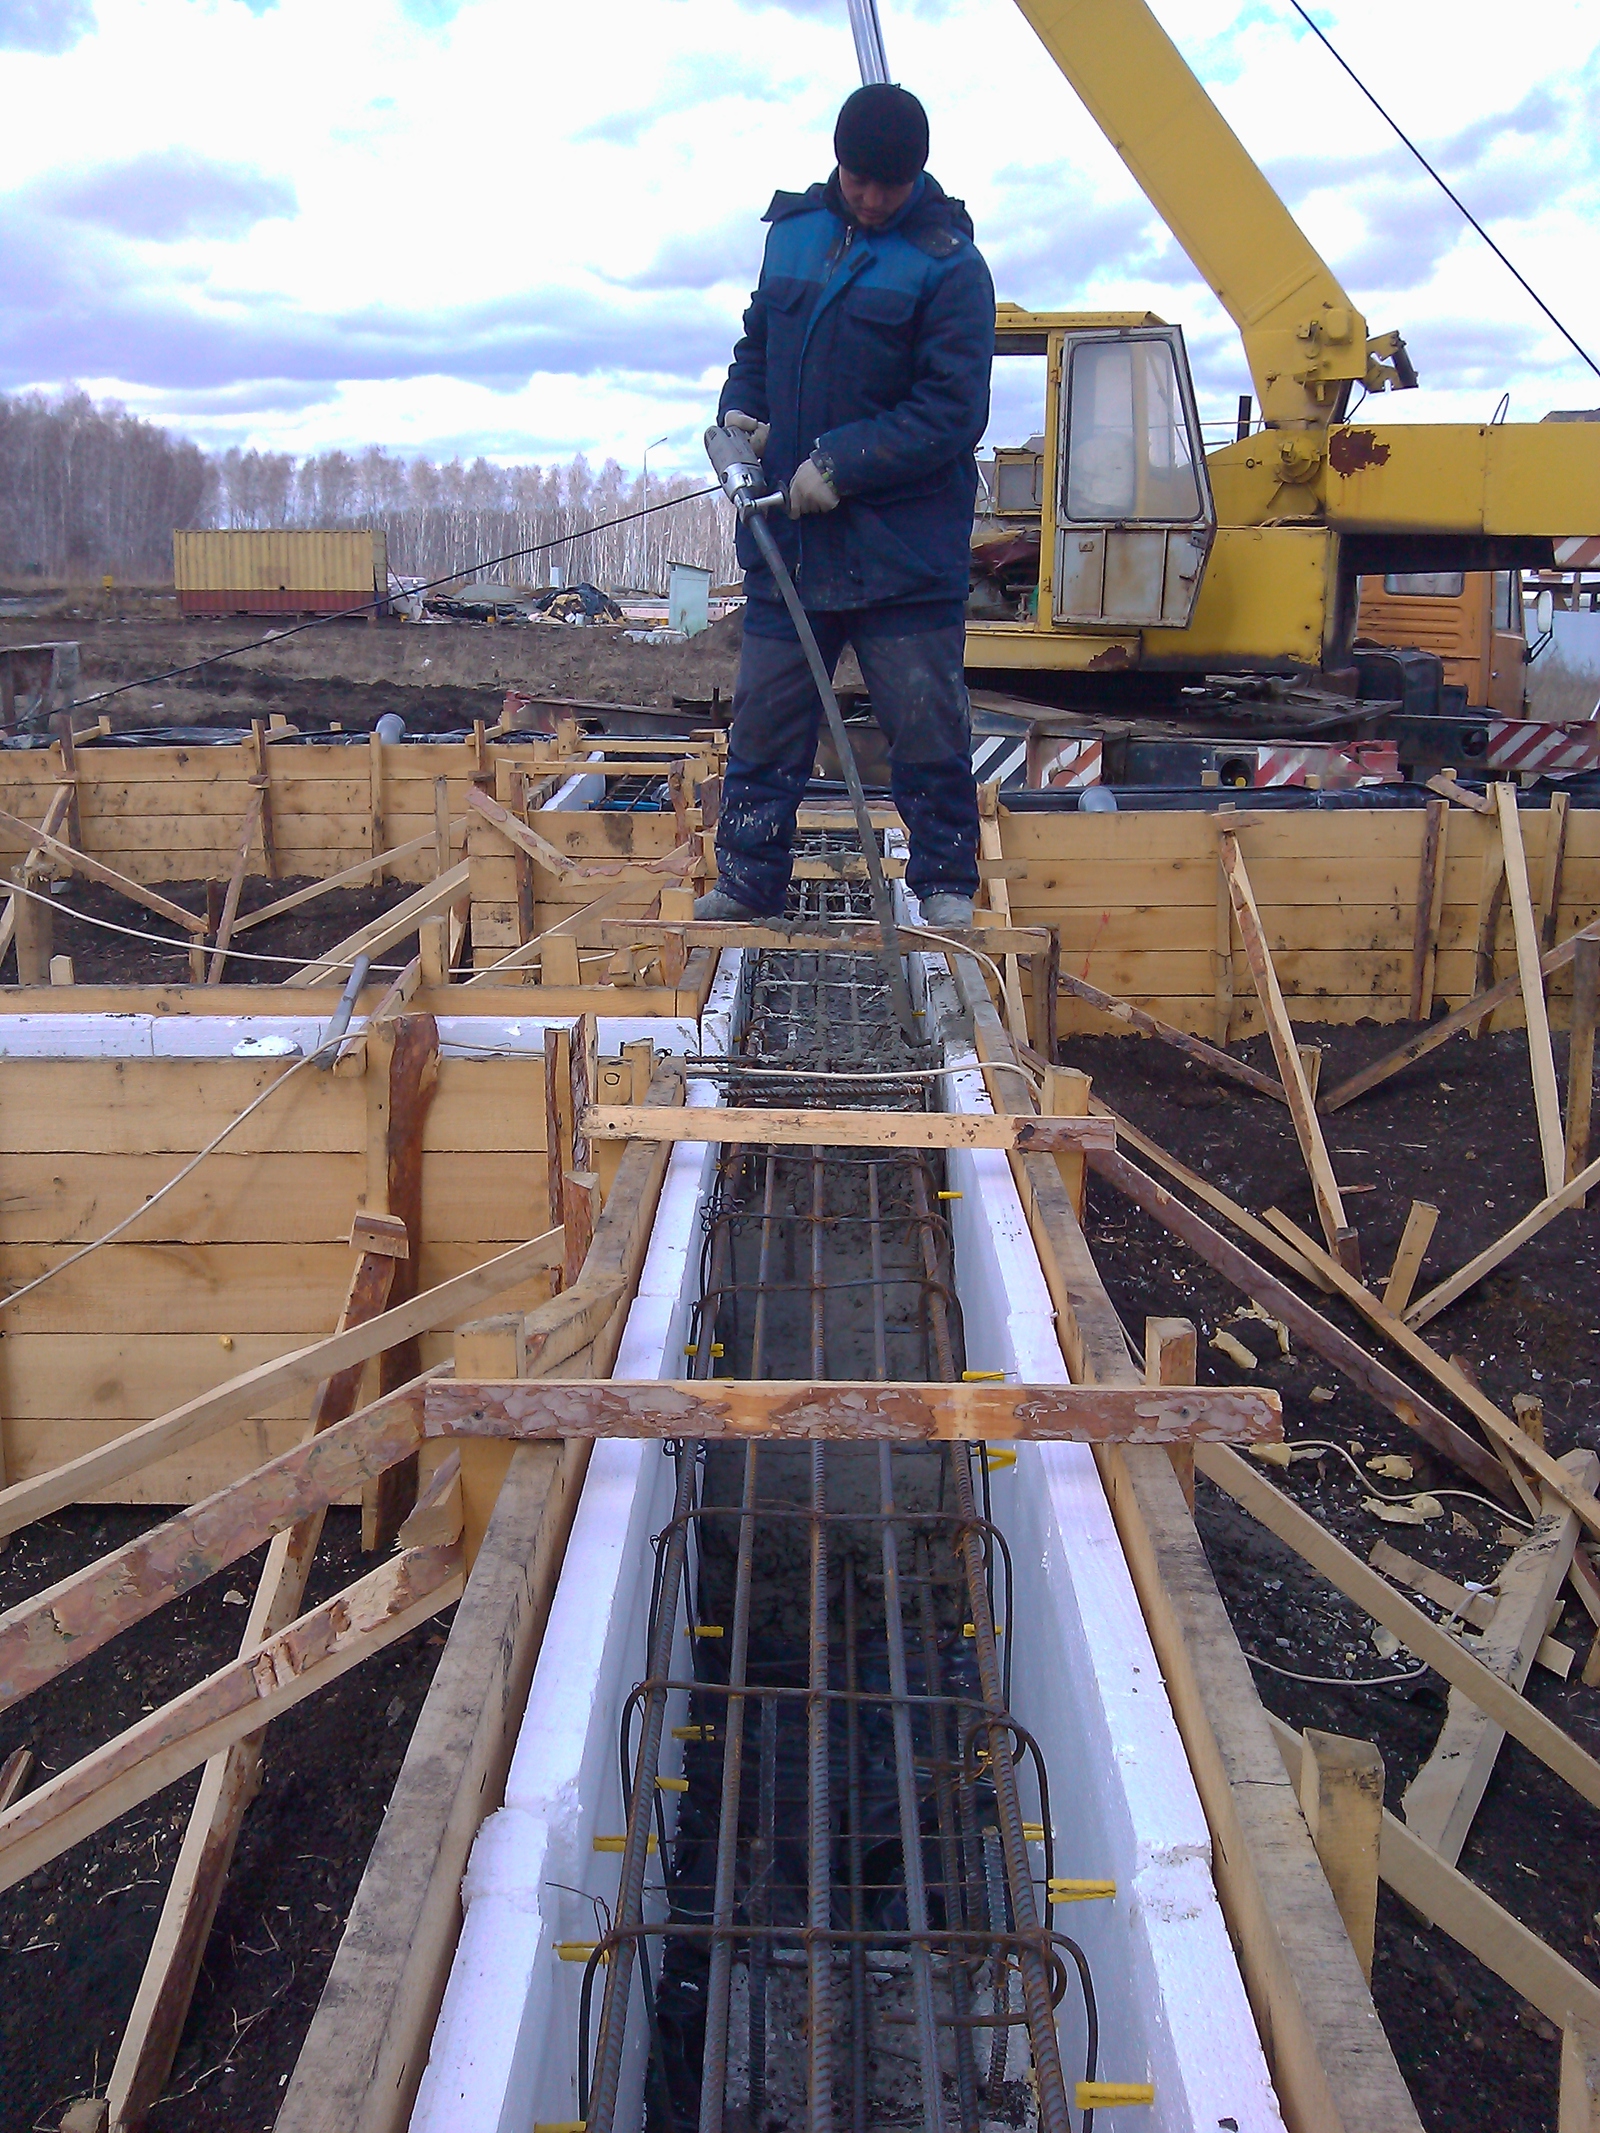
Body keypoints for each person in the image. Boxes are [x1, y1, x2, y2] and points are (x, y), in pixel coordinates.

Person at [696, 82, 994, 930]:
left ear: (917, 178)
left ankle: (944, 883)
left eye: (887, 187)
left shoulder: (949, 266)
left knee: (925, 724)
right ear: (839, 163)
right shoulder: (793, 235)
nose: (868, 199)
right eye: (858, 180)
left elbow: (951, 411)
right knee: (766, 722)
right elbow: (757, 343)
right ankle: (749, 882)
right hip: (792, 544)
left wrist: (844, 462)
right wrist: (740, 411)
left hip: (900, 550)